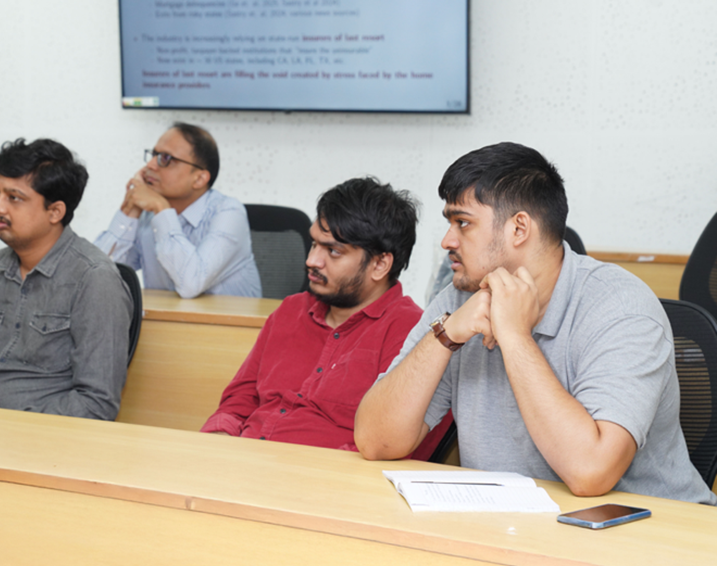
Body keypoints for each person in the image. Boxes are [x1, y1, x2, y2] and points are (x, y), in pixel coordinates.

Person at [355, 142, 716, 505]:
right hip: (521, 527)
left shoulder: (622, 308)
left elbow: (590, 472)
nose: (448, 240)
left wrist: (514, 335)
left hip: (651, 533)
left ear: (519, 228)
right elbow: (375, 440)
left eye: (462, 223)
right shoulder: (460, 297)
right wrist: (445, 335)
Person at [201, 178, 451, 459]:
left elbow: (396, 448)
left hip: (326, 486)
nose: (312, 260)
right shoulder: (290, 310)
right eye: (314, 244)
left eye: (333, 251)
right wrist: (218, 443)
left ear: (380, 264)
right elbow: (240, 399)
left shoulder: (413, 334)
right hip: (244, 462)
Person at [0, 138, 134, 420]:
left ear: (55, 212)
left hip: (38, 440)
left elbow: (96, 403)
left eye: (14, 198)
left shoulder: (94, 280)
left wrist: (10, 425)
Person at [93, 122, 261, 298]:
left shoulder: (228, 213)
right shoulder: (148, 216)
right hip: (166, 322)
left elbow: (191, 284)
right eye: (153, 155)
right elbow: (97, 276)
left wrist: (161, 209)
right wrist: (131, 211)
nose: (150, 165)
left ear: (199, 179)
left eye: (165, 158)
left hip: (229, 324)